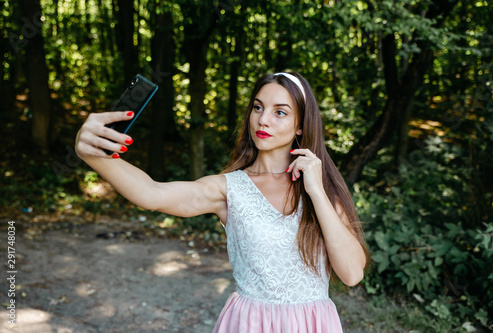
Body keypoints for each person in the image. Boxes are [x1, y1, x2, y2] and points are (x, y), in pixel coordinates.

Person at [75, 72, 369, 332]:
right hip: (251, 325)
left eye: (280, 112)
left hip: (313, 325)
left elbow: (352, 274)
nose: (263, 119)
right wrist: (92, 154)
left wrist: (316, 192)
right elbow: (152, 194)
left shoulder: (321, 189)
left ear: (301, 126)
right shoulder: (230, 189)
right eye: (258, 107)